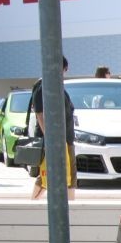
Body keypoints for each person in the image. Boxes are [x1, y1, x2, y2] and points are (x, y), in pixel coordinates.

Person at [31, 56, 77, 200]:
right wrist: (49, 136)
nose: (64, 74)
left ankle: (34, 202)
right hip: (56, 139)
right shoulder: (44, 85)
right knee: (58, 174)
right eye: (64, 70)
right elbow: (39, 113)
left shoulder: (53, 85)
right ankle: (70, 206)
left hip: (64, 137)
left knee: (56, 174)